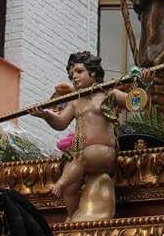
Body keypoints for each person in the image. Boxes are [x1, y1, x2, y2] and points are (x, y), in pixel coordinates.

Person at [31, 51, 126, 220]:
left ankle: (60, 184)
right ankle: (73, 217)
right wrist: (46, 115)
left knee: (79, 160)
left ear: (93, 73)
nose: (74, 77)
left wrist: (144, 85)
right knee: (69, 171)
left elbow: (135, 101)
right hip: (79, 145)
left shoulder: (108, 94)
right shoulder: (75, 100)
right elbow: (61, 122)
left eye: (79, 71)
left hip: (103, 149)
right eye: (71, 74)